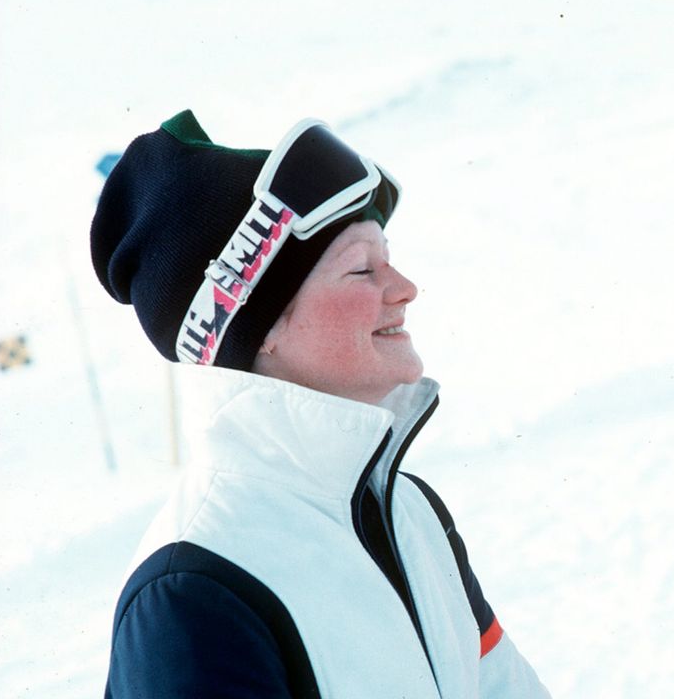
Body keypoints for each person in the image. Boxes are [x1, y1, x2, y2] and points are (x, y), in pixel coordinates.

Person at [92, 110, 551, 697]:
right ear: (260, 328)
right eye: (363, 268)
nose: (404, 287)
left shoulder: (408, 512)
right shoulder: (195, 589)